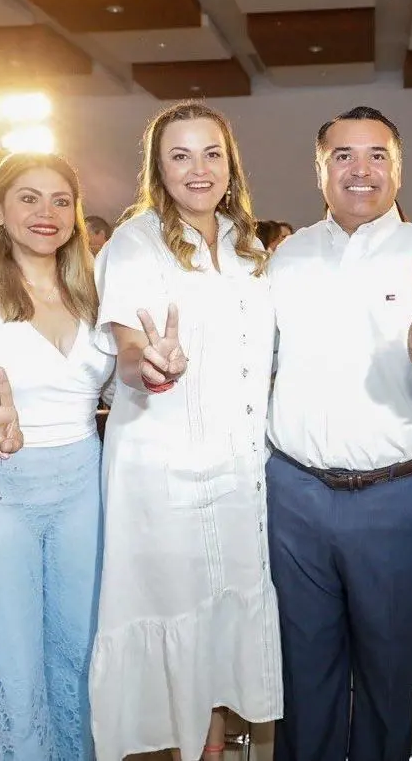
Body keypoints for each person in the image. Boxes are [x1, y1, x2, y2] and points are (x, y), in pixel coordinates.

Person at [265, 105, 412, 761]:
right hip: (295, 497)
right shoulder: (288, 257)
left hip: (399, 498)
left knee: (389, 675)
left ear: (398, 169)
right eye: (342, 155)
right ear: (319, 170)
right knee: (302, 676)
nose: (359, 170)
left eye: (376, 156)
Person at [89, 101, 282, 761]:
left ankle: (216, 745)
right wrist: (152, 362)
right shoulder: (135, 242)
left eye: (211, 154)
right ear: (157, 168)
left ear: (231, 164)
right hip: (162, 467)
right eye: (180, 155)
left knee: (222, 615)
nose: (198, 170)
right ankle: (186, 751)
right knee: (178, 617)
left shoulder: (246, 244)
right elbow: (127, 340)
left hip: (238, 465)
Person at [0, 152, 110, 760]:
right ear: (0, 213)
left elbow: (121, 385)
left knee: (81, 661)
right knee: (11, 669)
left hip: (85, 488)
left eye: (61, 200)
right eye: (28, 198)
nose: (46, 213)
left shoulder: (96, 289)